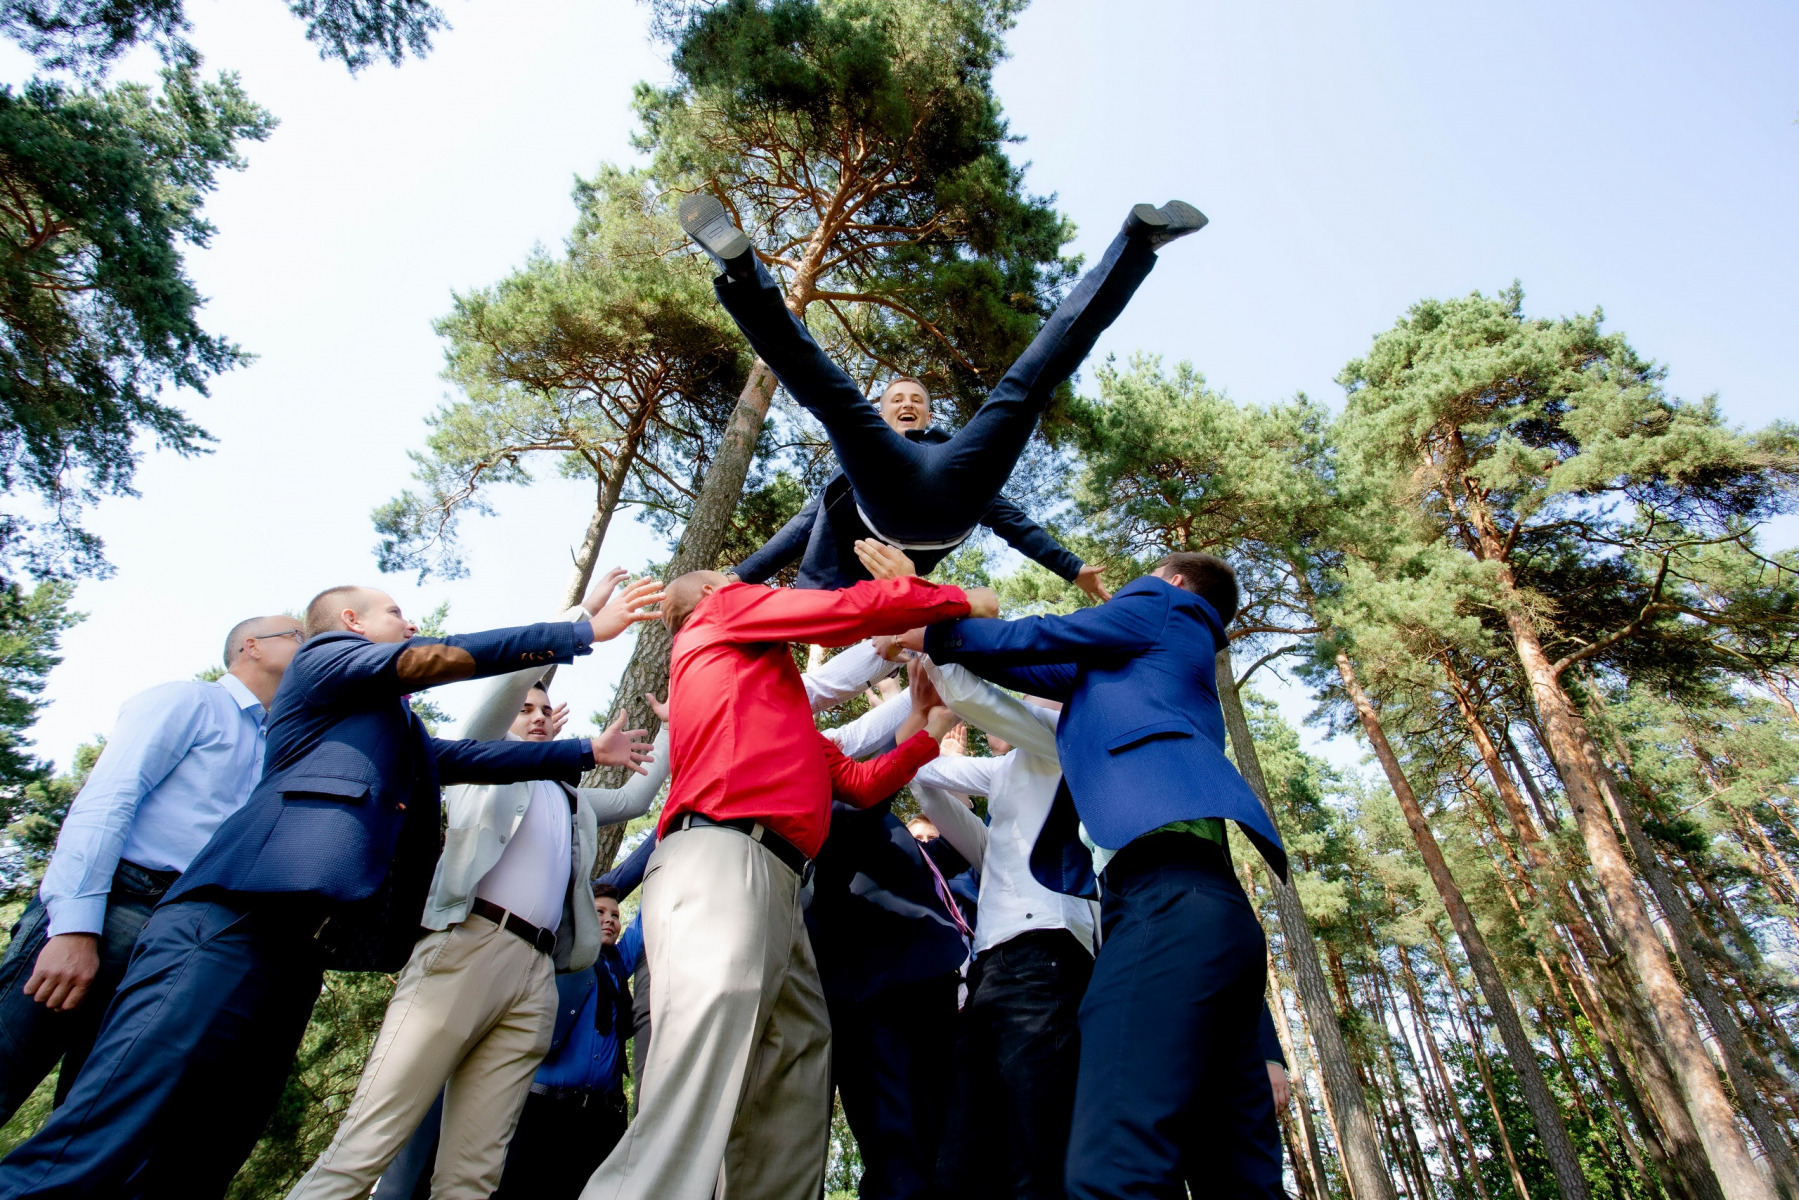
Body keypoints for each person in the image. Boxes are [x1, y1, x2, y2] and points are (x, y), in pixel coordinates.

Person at [0, 582, 655, 1200]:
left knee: (207, 1146)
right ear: (350, 624)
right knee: (112, 1125)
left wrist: (584, 751)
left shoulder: (387, 728)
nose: (411, 624)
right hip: (231, 923)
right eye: (395, 613)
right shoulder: (323, 661)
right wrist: (576, 630)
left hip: (296, 952)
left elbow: (464, 758)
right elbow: (434, 660)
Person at [580, 571, 987, 1200]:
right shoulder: (718, 615)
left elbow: (858, 784)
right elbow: (847, 611)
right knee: (695, 1089)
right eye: (728, 577)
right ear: (708, 598)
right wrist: (958, 602)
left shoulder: (775, 705)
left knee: (796, 1066)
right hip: (723, 861)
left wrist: (928, 730)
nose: (743, 582)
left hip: (773, 881)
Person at [904, 551, 1287, 1200]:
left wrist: (939, 629)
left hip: (1159, 900)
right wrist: (944, 641)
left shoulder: (1164, 604)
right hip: (1200, 908)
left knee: (1111, 1170)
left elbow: (1047, 635)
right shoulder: (1125, 674)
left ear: (1168, 581)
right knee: (1236, 1177)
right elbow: (1030, 661)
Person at [286, 575, 670, 1200]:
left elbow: (631, 796)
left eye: (547, 712)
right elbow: (503, 695)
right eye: (530, 709)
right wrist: (573, 623)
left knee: (474, 1174)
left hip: (536, 977)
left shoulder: (571, 801)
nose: (539, 717)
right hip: (466, 947)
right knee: (367, 1143)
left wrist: (675, 727)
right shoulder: (480, 764)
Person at [679, 190, 1206, 593]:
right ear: (883, 415)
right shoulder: (860, 464)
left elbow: (1007, 519)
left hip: (954, 490)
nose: (907, 402)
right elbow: (802, 526)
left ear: (930, 413)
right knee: (832, 395)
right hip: (890, 502)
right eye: (895, 399)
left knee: (1030, 383)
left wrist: (1070, 568)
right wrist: (738, 575)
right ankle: (743, 271)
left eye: (918, 399)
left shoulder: (959, 452)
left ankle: (1137, 242)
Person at [0, 615, 302, 1125]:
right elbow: (107, 800)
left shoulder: (277, 745)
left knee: (89, 1117)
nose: (311, 647)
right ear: (251, 646)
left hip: (179, 934)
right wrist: (74, 929)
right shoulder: (190, 701)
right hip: (115, 901)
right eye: (298, 636)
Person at [899, 657, 1100, 1200]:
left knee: (1037, 1149)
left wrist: (930, 654)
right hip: (990, 974)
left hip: (1046, 957)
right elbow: (926, 775)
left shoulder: (1063, 737)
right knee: (963, 1159)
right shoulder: (1005, 774)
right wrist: (916, 719)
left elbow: (988, 702)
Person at [490, 883, 642, 1200]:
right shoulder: (561, 958)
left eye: (615, 915)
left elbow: (644, 926)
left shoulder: (618, 965)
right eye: (599, 912)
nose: (610, 919)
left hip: (600, 1121)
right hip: (544, 1112)